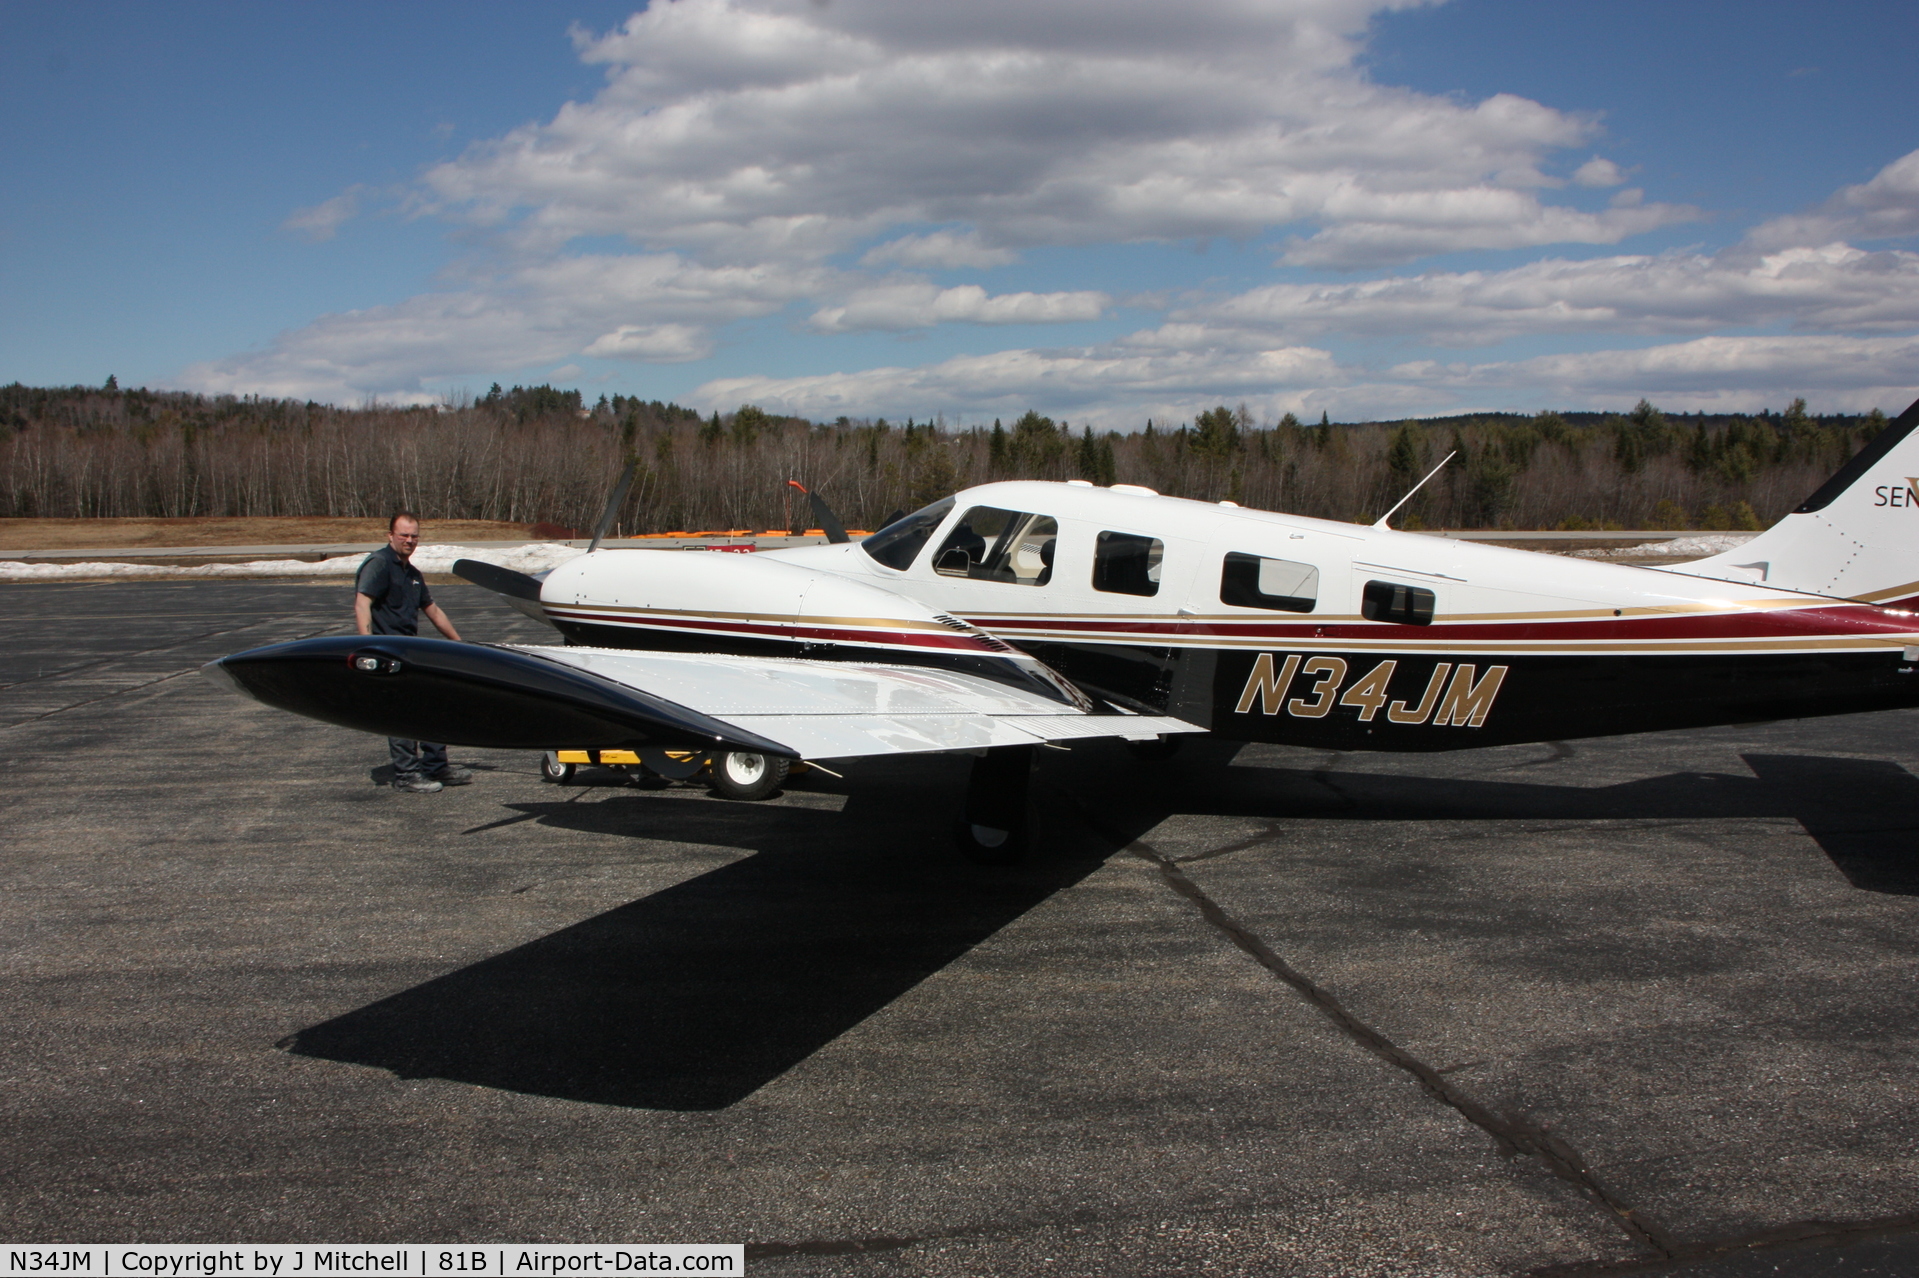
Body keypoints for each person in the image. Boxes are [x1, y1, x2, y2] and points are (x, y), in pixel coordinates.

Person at [354, 511, 472, 794]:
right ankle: (406, 775)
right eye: (403, 535)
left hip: (411, 652)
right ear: (390, 536)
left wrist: (459, 642)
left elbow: (432, 610)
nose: (409, 540)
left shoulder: (413, 574)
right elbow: (362, 603)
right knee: (402, 713)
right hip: (387, 652)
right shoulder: (379, 564)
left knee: (432, 704)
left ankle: (435, 765)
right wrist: (367, 647)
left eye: (414, 536)